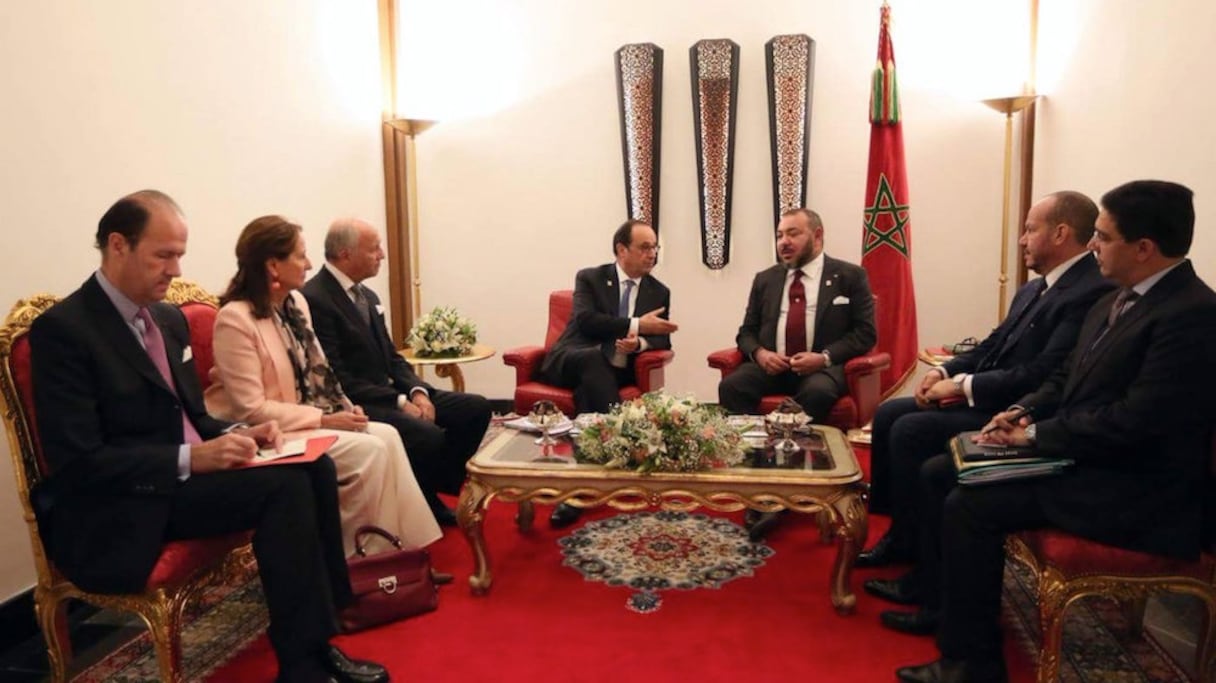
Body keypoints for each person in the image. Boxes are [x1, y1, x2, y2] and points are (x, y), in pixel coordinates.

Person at [29, 191, 388, 683]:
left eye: (180, 254)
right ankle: (302, 665)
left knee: (313, 465)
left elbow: (193, 417)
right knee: (283, 488)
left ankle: (320, 637)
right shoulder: (65, 331)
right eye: (164, 255)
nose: (176, 270)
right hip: (124, 500)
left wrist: (243, 432)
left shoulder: (166, 319)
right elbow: (80, 464)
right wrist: (191, 459)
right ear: (117, 245)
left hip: (180, 480)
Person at [891, 180, 1216, 683]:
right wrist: (1023, 411)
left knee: (970, 502)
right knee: (943, 472)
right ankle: (947, 611)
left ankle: (973, 662)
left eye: (1103, 237)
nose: (1092, 246)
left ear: (1144, 248)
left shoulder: (1192, 315)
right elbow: (1067, 377)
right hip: (1089, 457)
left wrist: (1036, 437)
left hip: (1137, 489)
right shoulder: (1124, 297)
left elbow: (1137, 421)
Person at [859, 191, 1113, 577]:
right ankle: (902, 534)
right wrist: (944, 373)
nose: (1023, 239)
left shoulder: (1090, 291)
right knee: (890, 412)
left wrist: (962, 387)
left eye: (1030, 229)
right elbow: (993, 344)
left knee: (911, 429)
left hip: (1019, 408)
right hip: (990, 394)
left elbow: (1044, 372)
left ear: (1060, 233)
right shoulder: (1035, 287)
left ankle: (920, 555)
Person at [205, 215, 442, 556]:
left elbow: (322, 374)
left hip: (307, 420)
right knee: (370, 451)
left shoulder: (295, 304)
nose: (310, 264)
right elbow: (250, 408)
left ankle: (403, 552)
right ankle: (360, 560)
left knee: (387, 436)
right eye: (301, 256)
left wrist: (346, 408)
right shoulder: (235, 318)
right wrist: (324, 420)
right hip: (266, 433)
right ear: (273, 265)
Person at [302, 218, 492, 527]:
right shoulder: (316, 299)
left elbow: (391, 358)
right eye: (375, 248)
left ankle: (430, 486)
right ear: (346, 253)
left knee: (475, 409)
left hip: (391, 391)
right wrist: (401, 401)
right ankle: (424, 495)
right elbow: (338, 377)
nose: (382, 255)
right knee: (426, 435)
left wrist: (418, 391)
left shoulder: (369, 297)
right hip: (358, 401)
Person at [718, 208, 876, 539]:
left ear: (817, 236)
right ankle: (757, 476)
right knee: (733, 386)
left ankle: (787, 485)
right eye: (779, 235)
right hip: (773, 367)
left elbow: (865, 334)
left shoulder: (849, 276)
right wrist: (760, 354)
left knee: (817, 393)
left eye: (793, 234)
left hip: (820, 368)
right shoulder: (766, 279)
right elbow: (745, 333)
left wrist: (824, 357)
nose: (784, 242)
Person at [541, 219, 677, 527]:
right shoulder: (590, 278)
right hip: (570, 358)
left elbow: (662, 338)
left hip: (612, 373)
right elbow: (587, 321)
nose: (652, 254)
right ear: (621, 249)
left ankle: (580, 488)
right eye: (644, 247)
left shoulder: (659, 291)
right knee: (592, 360)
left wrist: (638, 342)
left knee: (589, 390)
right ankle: (622, 446)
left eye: (655, 247)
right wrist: (637, 325)